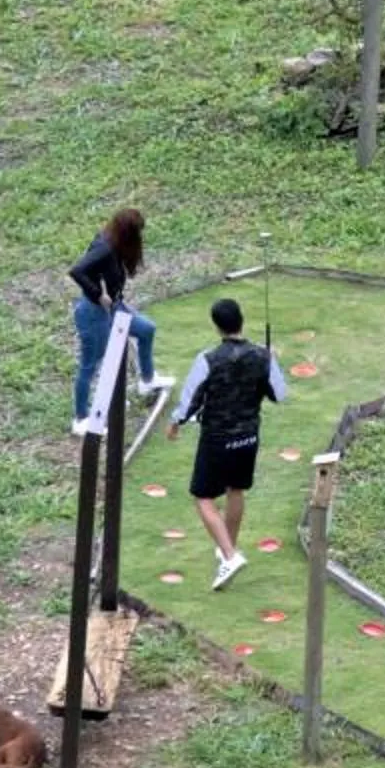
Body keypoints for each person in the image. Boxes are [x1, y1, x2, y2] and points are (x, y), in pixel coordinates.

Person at [171, 297, 286, 589]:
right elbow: (279, 395)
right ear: (241, 320)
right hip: (249, 437)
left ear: (217, 326)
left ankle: (230, 555)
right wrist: (273, 360)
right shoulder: (262, 356)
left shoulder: (208, 359)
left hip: (217, 439)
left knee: (203, 497)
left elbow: (191, 398)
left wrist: (176, 422)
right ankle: (227, 553)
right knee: (236, 490)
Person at [65, 208, 166, 434]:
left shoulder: (116, 243)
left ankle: (147, 380)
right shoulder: (105, 247)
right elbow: (77, 271)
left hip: (115, 308)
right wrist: (98, 295)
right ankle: (81, 418)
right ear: (127, 232)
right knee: (91, 363)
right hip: (93, 312)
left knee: (146, 329)